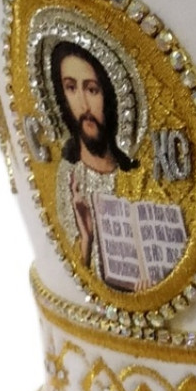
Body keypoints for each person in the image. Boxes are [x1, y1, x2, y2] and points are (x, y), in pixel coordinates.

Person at [51, 41, 136, 270]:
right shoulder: (68, 178)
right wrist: (86, 238)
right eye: (71, 88)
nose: (83, 105)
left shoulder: (135, 180)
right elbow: (75, 272)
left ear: (109, 94)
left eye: (92, 90)